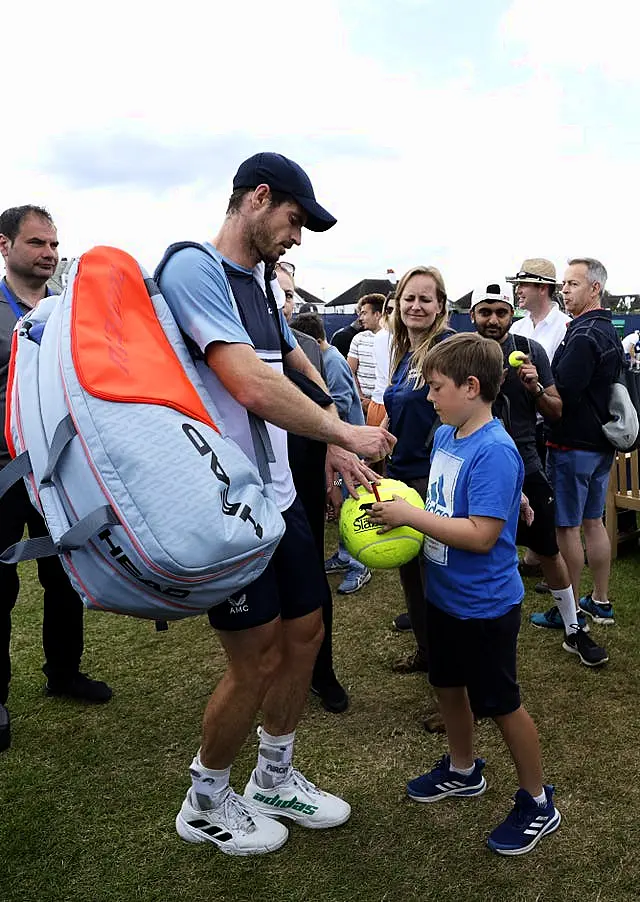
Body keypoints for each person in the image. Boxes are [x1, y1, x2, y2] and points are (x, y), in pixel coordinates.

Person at [156, 152, 395, 856]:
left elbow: (292, 359)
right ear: (258, 198)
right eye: (293, 220)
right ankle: (204, 799)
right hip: (224, 504)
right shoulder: (192, 267)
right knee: (255, 658)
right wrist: (345, 428)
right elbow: (247, 385)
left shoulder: (262, 281)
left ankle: (273, 776)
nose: (296, 238)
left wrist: (331, 440)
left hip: (280, 499)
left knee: (306, 635)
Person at [368, 332, 561, 856]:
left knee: (500, 703)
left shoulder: (495, 450)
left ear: (471, 387)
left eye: (435, 388)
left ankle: (538, 800)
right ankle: (462, 769)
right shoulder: (449, 433)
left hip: (484, 605)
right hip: (444, 595)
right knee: (447, 684)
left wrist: (411, 517)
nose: (428, 398)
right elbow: (451, 498)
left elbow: (479, 535)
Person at [0, 205, 112, 753]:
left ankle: (63, 671)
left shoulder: (67, 314)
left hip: (58, 472)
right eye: (37, 243)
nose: (48, 253)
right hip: (0, 474)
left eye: (53, 244)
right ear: (5, 246)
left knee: (66, 572)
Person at [470, 281, 608, 667]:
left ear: (510, 314)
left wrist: (533, 388)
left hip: (526, 463)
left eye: (501, 312)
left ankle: (573, 627)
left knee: (548, 548)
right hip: (476, 468)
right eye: (486, 312)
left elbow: (556, 410)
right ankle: (469, 625)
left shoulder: (529, 351)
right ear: (473, 315)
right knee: (474, 549)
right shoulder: (461, 354)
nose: (494, 320)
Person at [532, 258, 621, 635]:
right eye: (564, 284)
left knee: (567, 529)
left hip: (572, 445)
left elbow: (561, 394)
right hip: (601, 443)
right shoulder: (606, 330)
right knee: (594, 522)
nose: (564, 290)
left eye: (571, 284)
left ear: (594, 289)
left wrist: (536, 386)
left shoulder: (583, 335)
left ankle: (571, 610)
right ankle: (600, 601)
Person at [275, 264, 348, 713]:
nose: (286, 302)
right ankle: (270, 669)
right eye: (279, 293)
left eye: (288, 294)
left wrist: (332, 462)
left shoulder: (305, 349)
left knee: (311, 577)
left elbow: (326, 414)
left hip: (302, 473)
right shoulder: (228, 344)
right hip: (252, 482)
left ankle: (322, 671)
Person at [382, 266, 454, 680]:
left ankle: (452, 676)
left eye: (426, 299)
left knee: (438, 581)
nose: (416, 306)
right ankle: (428, 654)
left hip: (433, 479)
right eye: (409, 297)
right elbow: (402, 410)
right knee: (411, 573)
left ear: (441, 306)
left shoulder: (445, 348)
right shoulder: (405, 351)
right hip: (401, 476)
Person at [292, 312, 372, 596]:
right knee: (339, 503)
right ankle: (343, 553)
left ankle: (360, 565)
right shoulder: (325, 358)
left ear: (313, 341)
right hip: (334, 451)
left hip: (348, 451)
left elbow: (338, 402)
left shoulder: (332, 361)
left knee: (352, 504)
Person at [507, 258, 571, 578]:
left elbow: (564, 387)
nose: (518, 291)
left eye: (524, 285)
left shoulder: (564, 327)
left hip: (552, 423)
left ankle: (547, 557)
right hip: (522, 427)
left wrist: (538, 389)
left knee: (547, 495)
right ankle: (534, 557)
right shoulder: (517, 327)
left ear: (542, 288)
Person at [347, 293, 384, 416]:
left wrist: (376, 402)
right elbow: (350, 371)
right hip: (361, 405)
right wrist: (361, 398)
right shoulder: (358, 339)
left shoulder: (394, 340)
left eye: (364, 313)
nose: (360, 318)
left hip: (384, 405)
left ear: (377, 315)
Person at [366, 293, 394, 428]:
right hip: (384, 403)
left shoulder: (380, 336)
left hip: (381, 402)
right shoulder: (383, 337)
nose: (393, 315)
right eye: (389, 310)